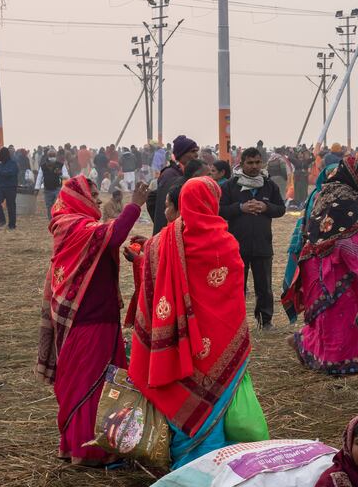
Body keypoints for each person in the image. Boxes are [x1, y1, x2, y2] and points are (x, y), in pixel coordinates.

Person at [129, 176, 266, 467]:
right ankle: (217, 465)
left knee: (184, 399)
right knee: (216, 403)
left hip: (179, 346)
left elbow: (155, 272)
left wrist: (141, 258)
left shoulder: (163, 242)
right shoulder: (225, 242)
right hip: (220, 342)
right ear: (211, 202)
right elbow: (233, 295)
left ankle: (189, 467)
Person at [36, 176, 148, 465]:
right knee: (90, 386)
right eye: (93, 194)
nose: (98, 200)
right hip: (89, 319)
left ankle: (83, 446)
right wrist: (134, 206)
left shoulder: (77, 226)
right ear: (77, 198)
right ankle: (89, 451)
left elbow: (107, 239)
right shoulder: (72, 226)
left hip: (98, 316)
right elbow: (112, 234)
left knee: (94, 383)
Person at [282, 160, 358, 376]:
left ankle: (308, 345)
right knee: (339, 315)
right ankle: (336, 360)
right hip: (332, 267)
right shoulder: (345, 201)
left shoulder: (326, 193)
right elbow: (352, 239)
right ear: (349, 176)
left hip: (318, 265)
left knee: (327, 315)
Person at [220, 146, 286, 330]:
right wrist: (240, 208)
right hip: (235, 246)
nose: (254, 166)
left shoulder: (269, 185)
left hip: (262, 244)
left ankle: (265, 321)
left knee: (264, 286)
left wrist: (266, 207)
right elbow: (220, 209)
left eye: (258, 162)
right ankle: (235, 322)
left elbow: (281, 209)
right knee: (236, 286)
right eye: (250, 163)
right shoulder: (230, 186)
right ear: (242, 164)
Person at [149, 135, 199, 233]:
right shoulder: (170, 175)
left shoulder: (182, 173)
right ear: (182, 154)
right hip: (169, 231)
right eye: (193, 151)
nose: (196, 155)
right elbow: (152, 199)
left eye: (196, 151)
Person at [0, 147, 19, 230]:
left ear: (4, 155)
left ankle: (12, 224)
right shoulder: (0, 165)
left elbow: (10, 173)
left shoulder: (13, 164)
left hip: (11, 187)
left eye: (0, 154)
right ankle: (2, 220)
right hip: (1, 187)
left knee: (11, 206)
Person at [39, 149, 64, 215]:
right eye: (50, 155)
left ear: (56, 155)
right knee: (49, 206)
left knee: (57, 205)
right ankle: (51, 220)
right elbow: (39, 177)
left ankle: (57, 217)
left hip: (57, 188)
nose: (52, 156)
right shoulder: (43, 166)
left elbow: (66, 176)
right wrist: (36, 188)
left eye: (53, 155)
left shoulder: (61, 165)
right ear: (48, 156)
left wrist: (60, 174)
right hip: (47, 189)